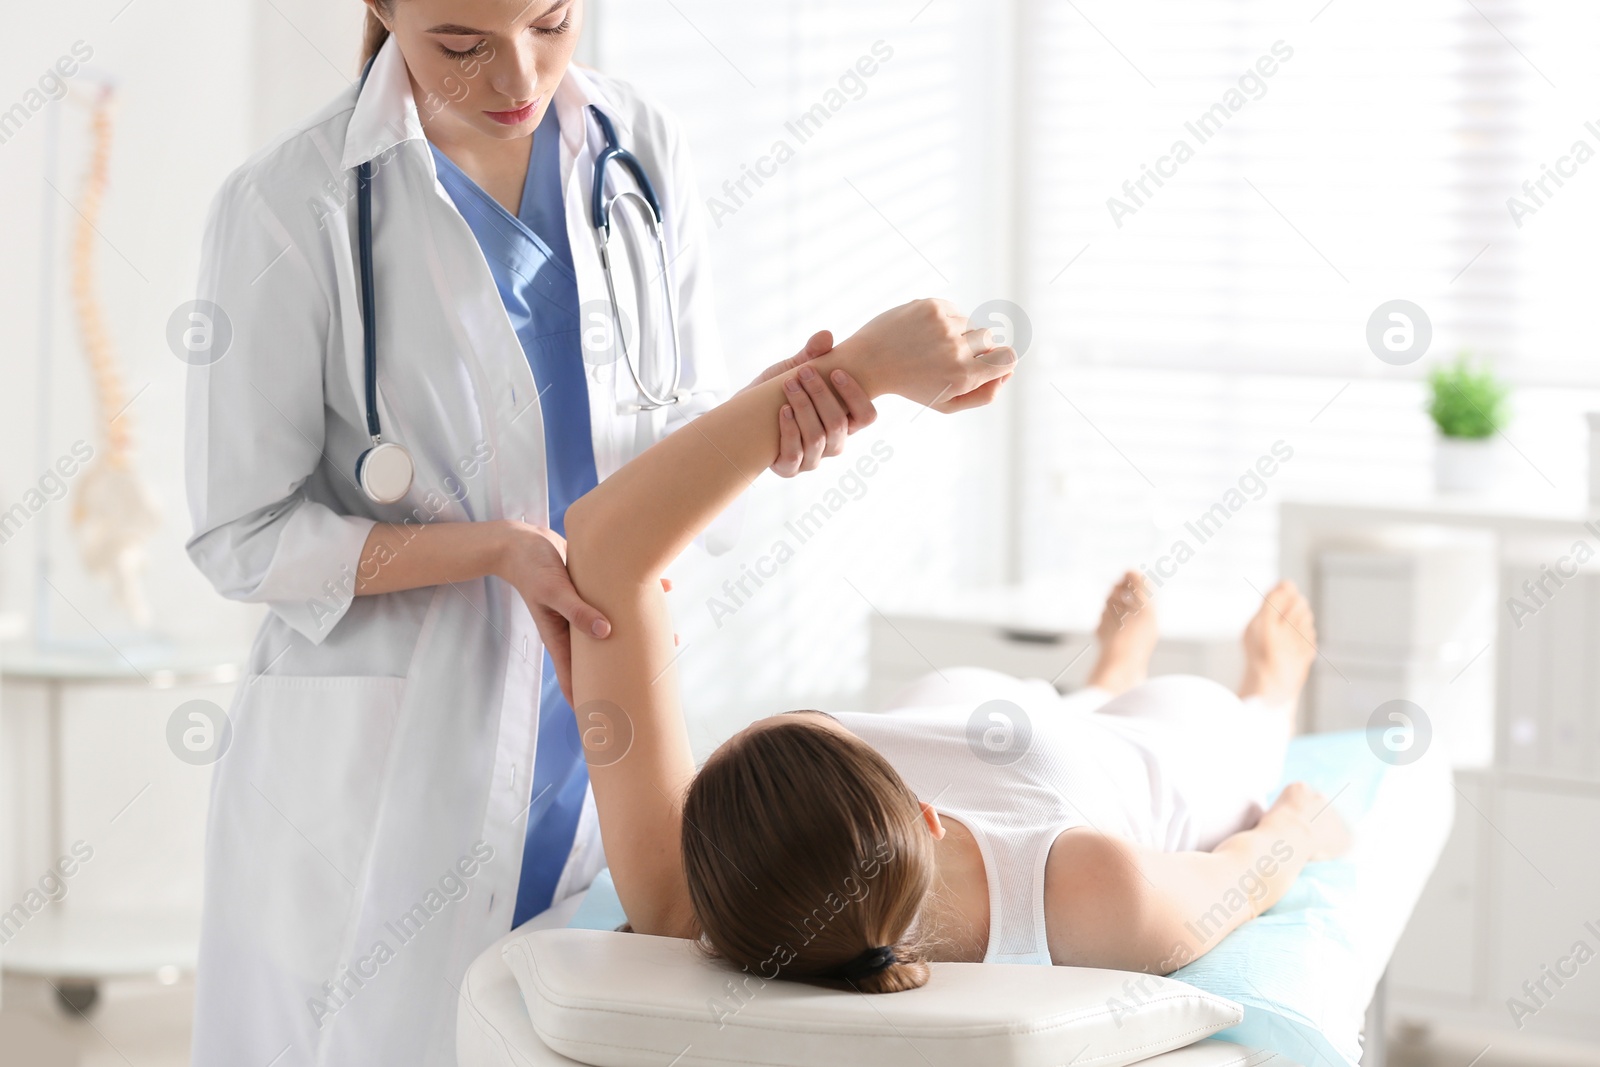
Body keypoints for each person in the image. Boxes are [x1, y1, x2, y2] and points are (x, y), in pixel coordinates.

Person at [181, 1, 942, 1061]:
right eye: (460, 44)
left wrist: (761, 422)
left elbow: (669, 421)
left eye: (551, 21)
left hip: (596, 715)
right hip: (392, 761)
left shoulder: (641, 151)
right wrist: (491, 550)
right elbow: (243, 532)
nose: (519, 74)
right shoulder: (286, 203)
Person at [556, 314, 1352, 991]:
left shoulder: (686, 891)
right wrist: (1300, 825)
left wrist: (845, 377)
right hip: (1119, 765)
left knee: (1041, 703)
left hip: (962, 713)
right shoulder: (1094, 895)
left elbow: (602, 552)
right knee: (1222, 718)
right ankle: (1208, 683)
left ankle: (1106, 670)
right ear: (927, 815)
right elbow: (1245, 874)